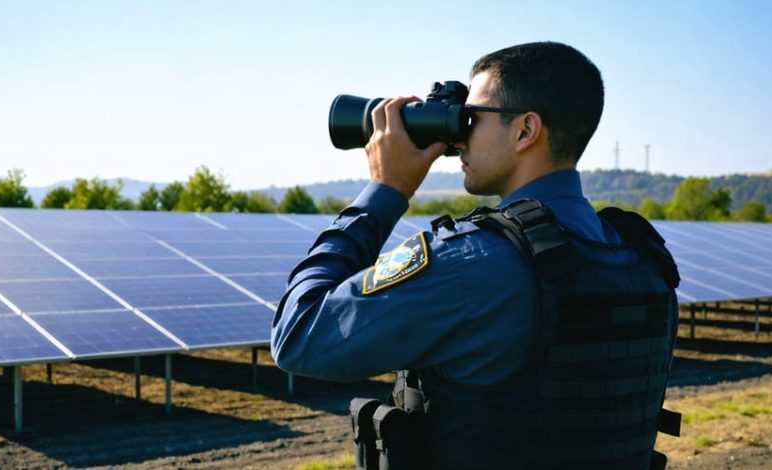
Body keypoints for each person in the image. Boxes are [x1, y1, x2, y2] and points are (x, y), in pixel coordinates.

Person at [271, 42, 680, 469]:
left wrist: (384, 191)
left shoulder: (474, 263)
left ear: (525, 130)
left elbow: (299, 336)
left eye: (472, 116)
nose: (459, 134)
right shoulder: (643, 259)